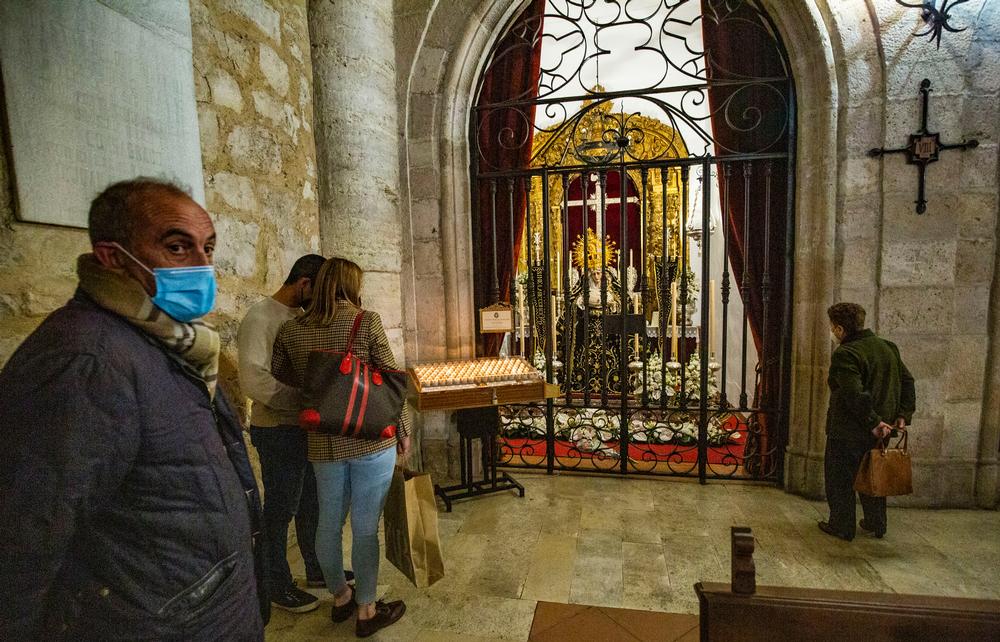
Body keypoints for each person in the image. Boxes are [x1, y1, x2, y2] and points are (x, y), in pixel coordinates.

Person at [0, 178, 264, 640]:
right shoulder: (85, 362)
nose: (203, 266)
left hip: (204, 611)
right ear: (113, 257)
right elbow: (24, 543)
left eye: (208, 248)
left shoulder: (170, 343)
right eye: (178, 248)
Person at [271, 257, 411, 638]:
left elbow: (283, 375)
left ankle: (340, 596)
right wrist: (404, 429)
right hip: (369, 440)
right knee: (366, 529)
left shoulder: (291, 330)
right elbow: (390, 380)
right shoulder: (365, 321)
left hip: (321, 443)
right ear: (351, 285)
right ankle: (366, 610)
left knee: (327, 525)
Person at [237, 254, 328, 613]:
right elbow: (254, 380)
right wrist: (304, 400)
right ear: (303, 283)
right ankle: (276, 583)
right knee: (281, 508)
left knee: (311, 504)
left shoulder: (299, 318)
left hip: (301, 426)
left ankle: (317, 568)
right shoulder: (260, 318)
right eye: (317, 290)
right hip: (276, 429)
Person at [819, 302, 916, 541]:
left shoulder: (846, 353)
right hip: (884, 428)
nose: (832, 331)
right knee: (874, 472)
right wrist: (903, 414)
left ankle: (841, 525)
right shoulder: (888, 347)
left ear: (840, 329)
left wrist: (873, 421)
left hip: (849, 429)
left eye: (833, 327)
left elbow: (853, 393)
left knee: (840, 479)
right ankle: (876, 522)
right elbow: (907, 381)